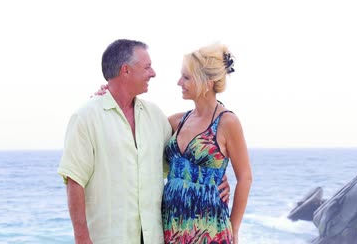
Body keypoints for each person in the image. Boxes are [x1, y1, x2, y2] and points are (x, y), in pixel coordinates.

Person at [58, 39, 230, 244]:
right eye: (147, 67)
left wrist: (213, 174)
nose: (153, 73)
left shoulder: (155, 116)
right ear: (126, 70)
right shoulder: (86, 118)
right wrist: (81, 238)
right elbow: (74, 181)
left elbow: (184, 152)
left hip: (154, 238)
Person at [162, 43, 252, 244]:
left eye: (186, 77)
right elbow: (135, 127)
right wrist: (106, 93)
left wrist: (234, 228)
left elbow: (245, 177)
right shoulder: (176, 121)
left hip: (210, 231)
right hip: (171, 227)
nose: (179, 82)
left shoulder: (227, 122)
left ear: (208, 82)